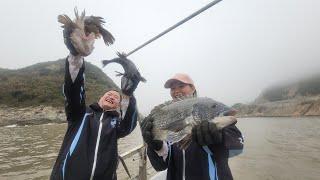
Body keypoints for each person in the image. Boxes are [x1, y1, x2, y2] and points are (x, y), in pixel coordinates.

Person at [50, 26, 140, 180]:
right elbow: (73, 91)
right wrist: (75, 56)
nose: (112, 96)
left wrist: (127, 94)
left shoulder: (117, 124)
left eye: (116, 97)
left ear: (118, 106)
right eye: (108, 94)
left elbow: (129, 125)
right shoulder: (79, 114)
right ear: (99, 99)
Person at [142, 73, 244, 180]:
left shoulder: (209, 107)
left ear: (193, 88)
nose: (176, 90)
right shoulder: (169, 116)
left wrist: (219, 141)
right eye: (172, 88)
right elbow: (160, 166)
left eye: (181, 86)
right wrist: (156, 146)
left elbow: (237, 145)